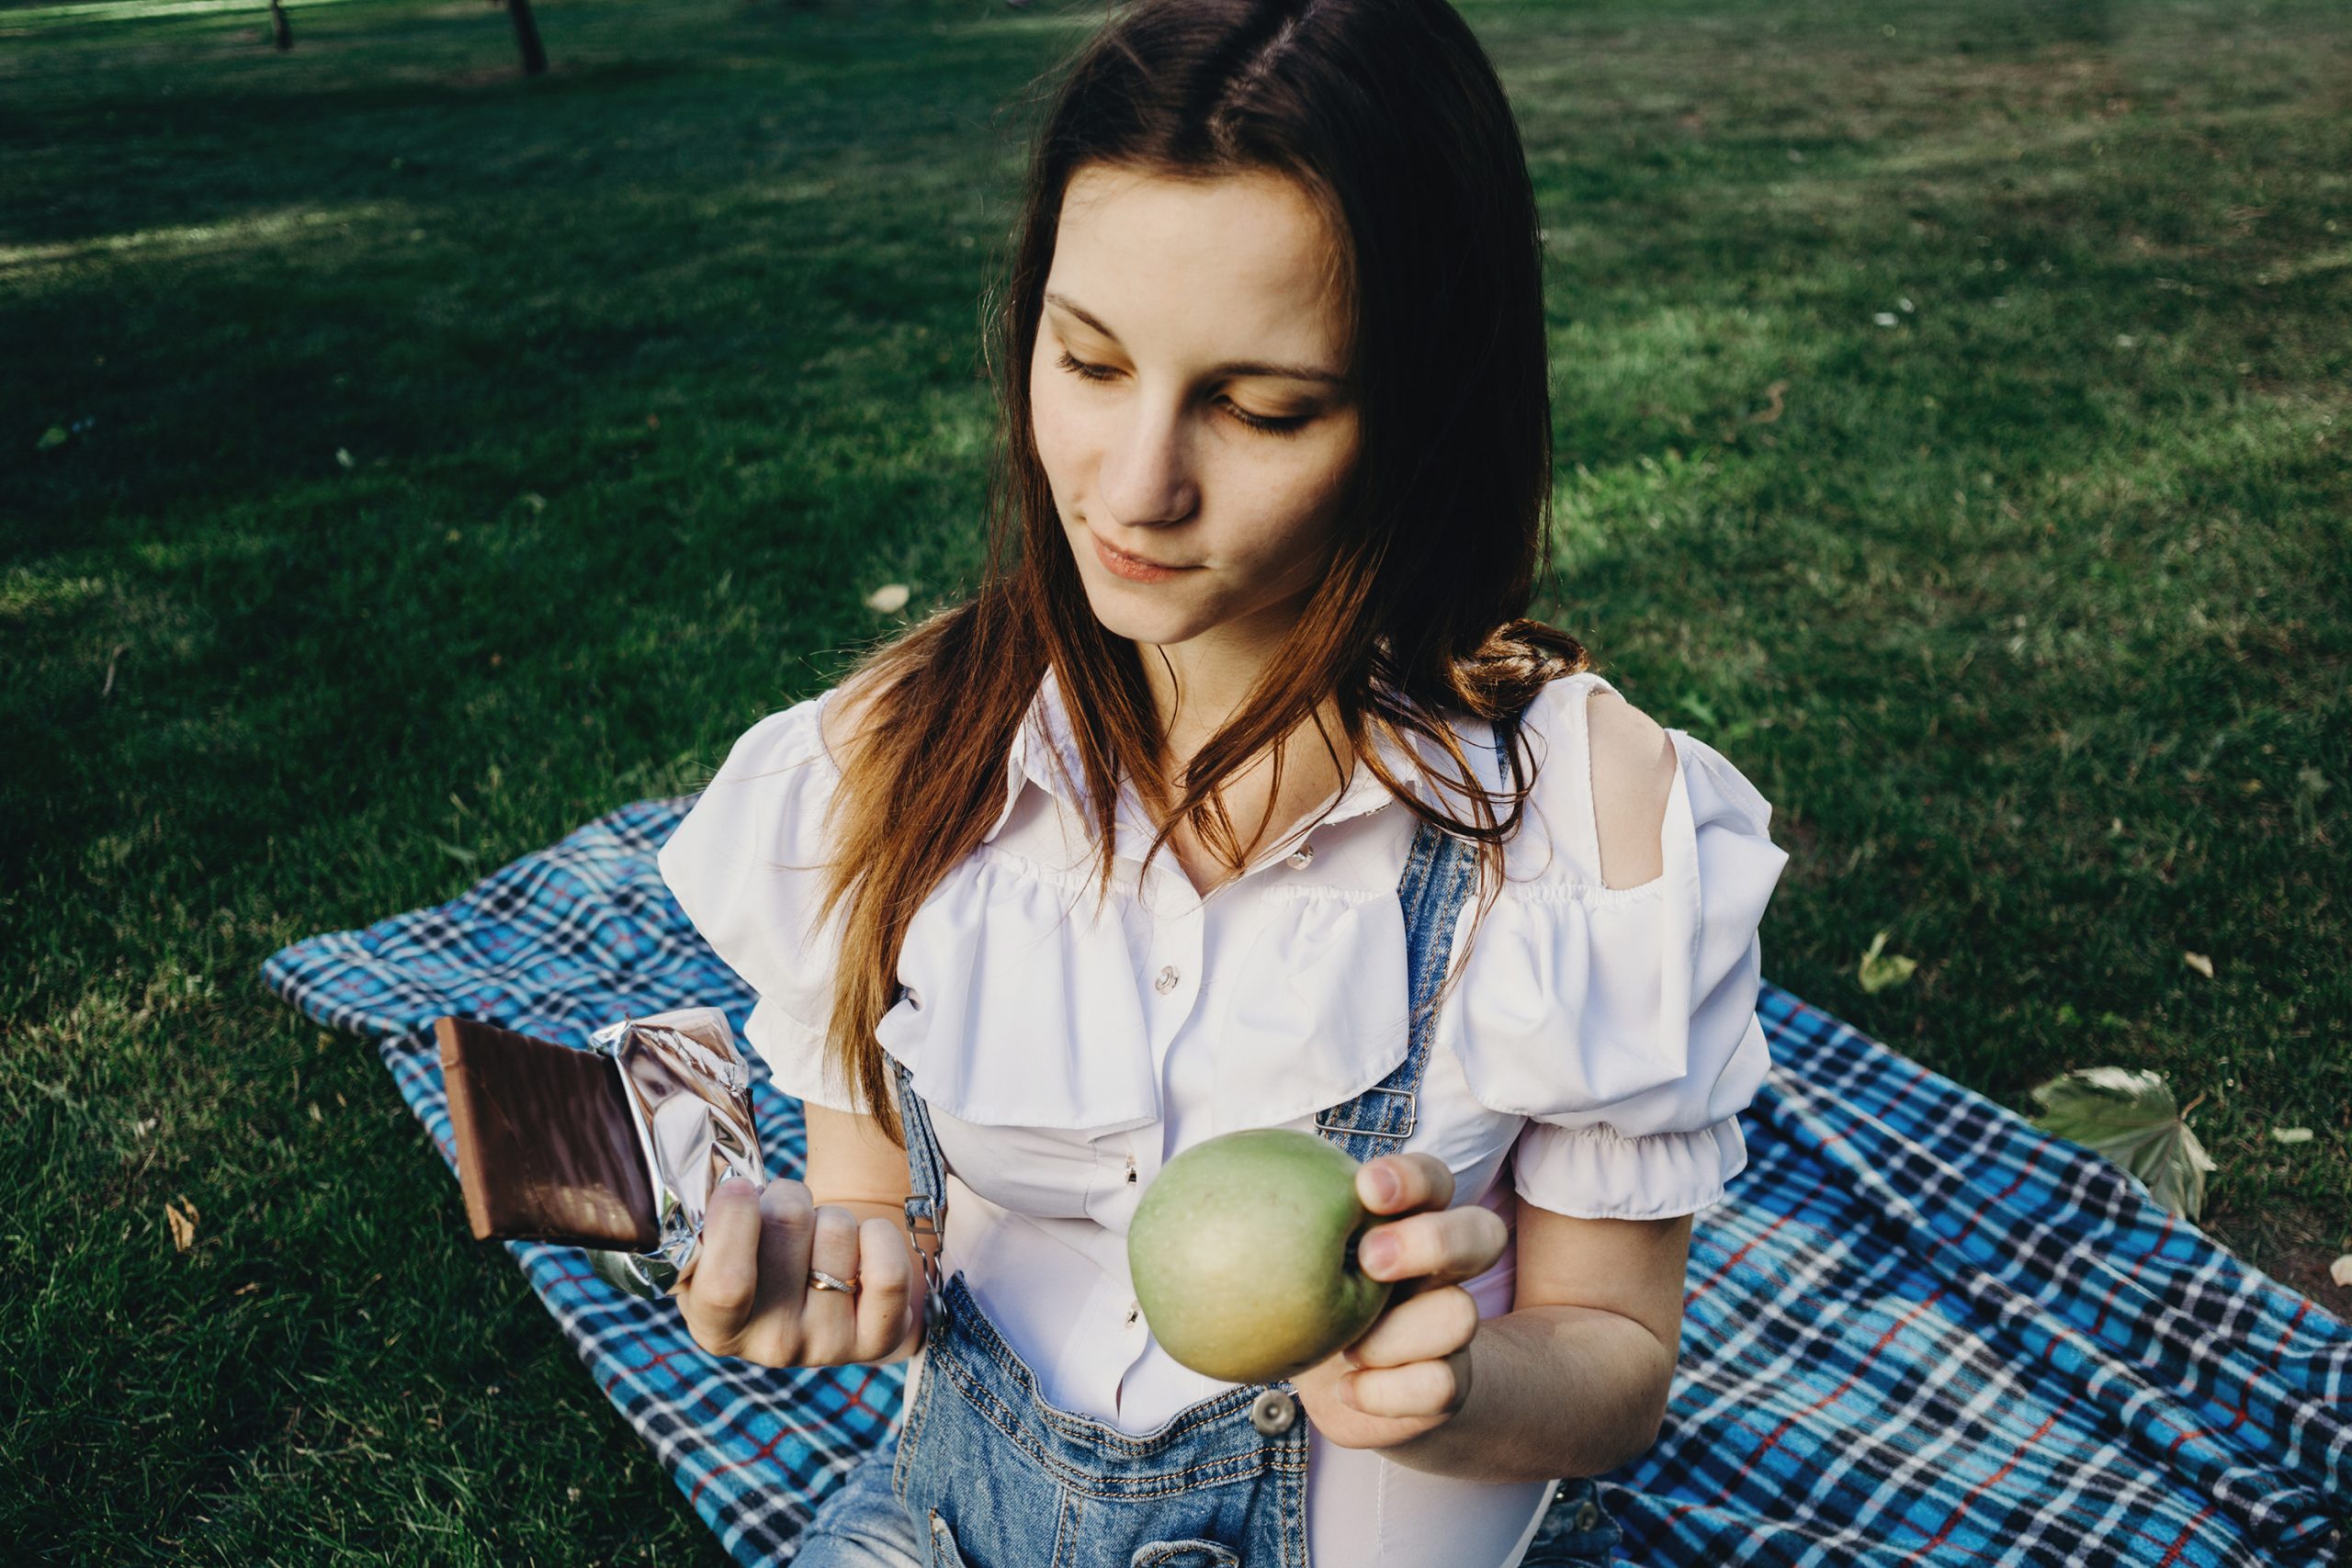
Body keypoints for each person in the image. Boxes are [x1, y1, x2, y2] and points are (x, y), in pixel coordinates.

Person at [654, 0, 1789, 1562]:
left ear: (1423, 408)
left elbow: (1616, 1363)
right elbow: (879, 1223)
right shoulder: (889, 766)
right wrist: (819, 1268)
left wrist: (1458, 1385)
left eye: (1261, 407)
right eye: (1088, 359)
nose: (1134, 487)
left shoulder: (1581, 825)